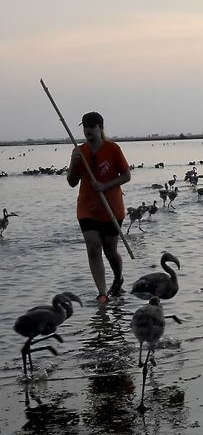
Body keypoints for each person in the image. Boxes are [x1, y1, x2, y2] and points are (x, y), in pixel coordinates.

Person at [66, 112, 131, 303]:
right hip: (87, 208)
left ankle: (118, 279)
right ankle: (102, 293)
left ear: (100, 128)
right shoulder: (79, 151)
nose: (87, 130)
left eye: (92, 126)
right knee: (93, 247)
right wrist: (73, 163)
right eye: (85, 126)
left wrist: (105, 185)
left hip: (111, 208)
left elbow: (126, 175)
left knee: (110, 251)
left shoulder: (113, 149)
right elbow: (71, 182)